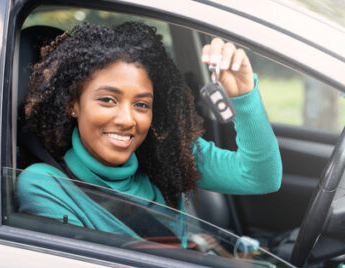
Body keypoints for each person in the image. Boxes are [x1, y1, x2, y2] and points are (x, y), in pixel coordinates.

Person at [17, 22, 282, 239]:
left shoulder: (168, 155)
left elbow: (261, 177)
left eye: (141, 104)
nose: (126, 119)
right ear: (73, 104)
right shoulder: (46, 185)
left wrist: (244, 97)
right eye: (108, 100)